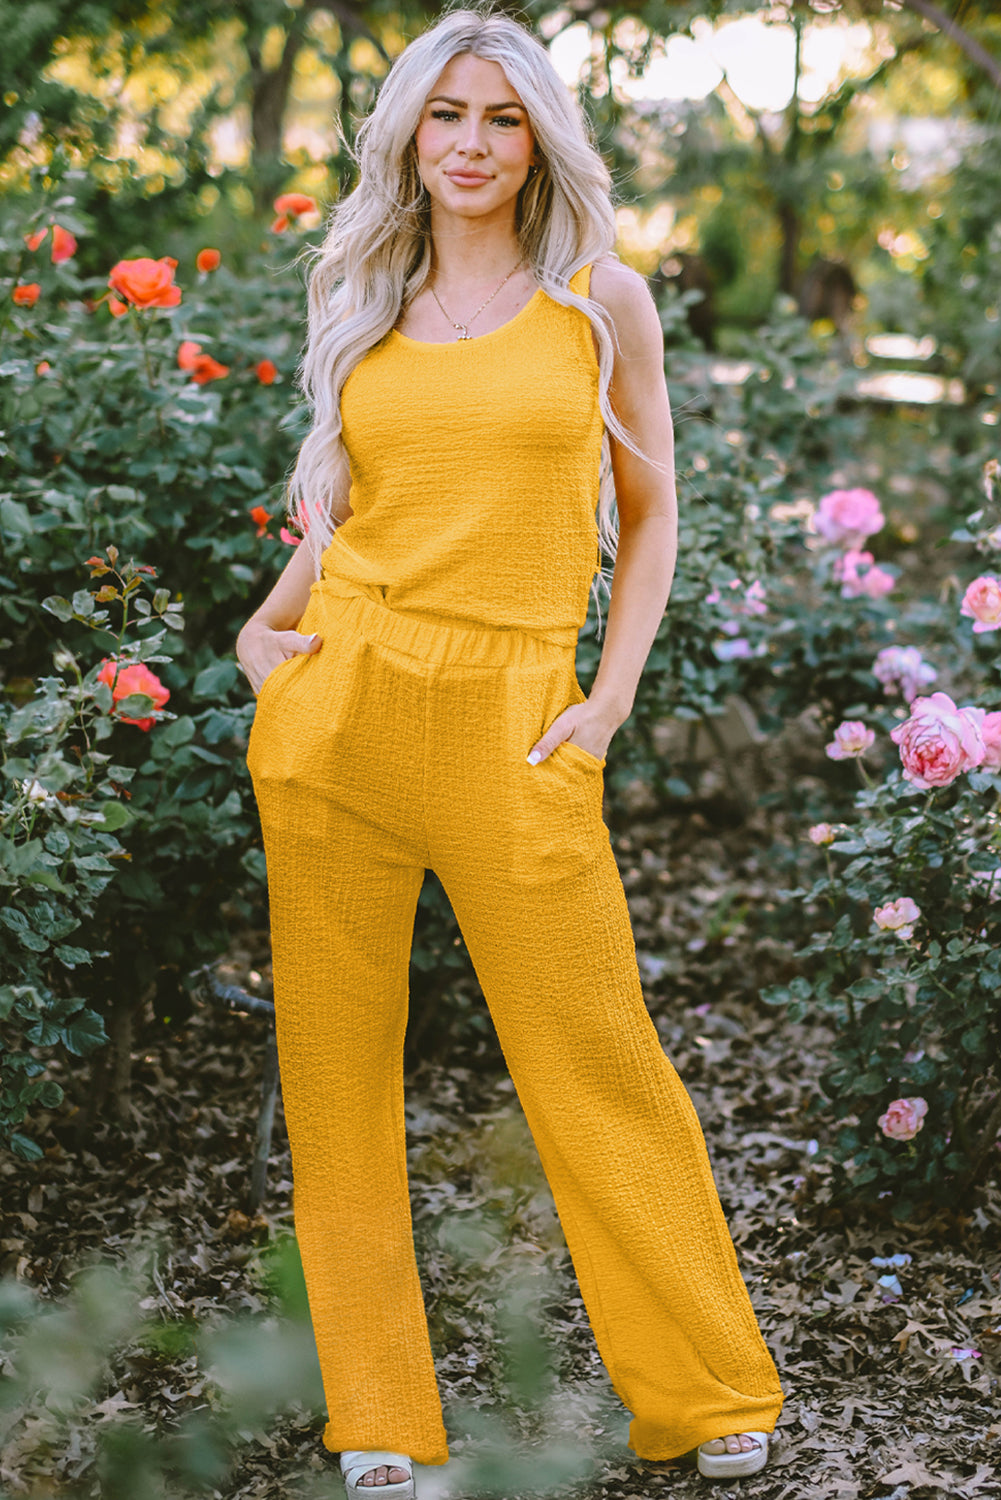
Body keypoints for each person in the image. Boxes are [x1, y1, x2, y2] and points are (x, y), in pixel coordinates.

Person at [236, 7, 784, 1494]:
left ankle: (704, 1387)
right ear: (406, 136)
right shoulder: (365, 288)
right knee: (332, 1075)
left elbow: (651, 509)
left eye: (498, 118)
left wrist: (604, 702)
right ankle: (378, 1420)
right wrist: (259, 632)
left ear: (537, 136)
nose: (469, 145)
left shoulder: (596, 299)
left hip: (516, 718)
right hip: (340, 706)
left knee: (594, 1049)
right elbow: (345, 507)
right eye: (443, 117)